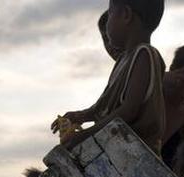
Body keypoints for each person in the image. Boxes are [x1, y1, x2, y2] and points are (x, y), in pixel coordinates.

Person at [54, 0, 166, 152]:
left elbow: (128, 111)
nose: (107, 25)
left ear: (126, 15)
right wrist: (80, 116)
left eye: (111, 13)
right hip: (113, 149)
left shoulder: (144, 55)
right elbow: (104, 107)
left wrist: (84, 135)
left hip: (134, 154)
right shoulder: (122, 60)